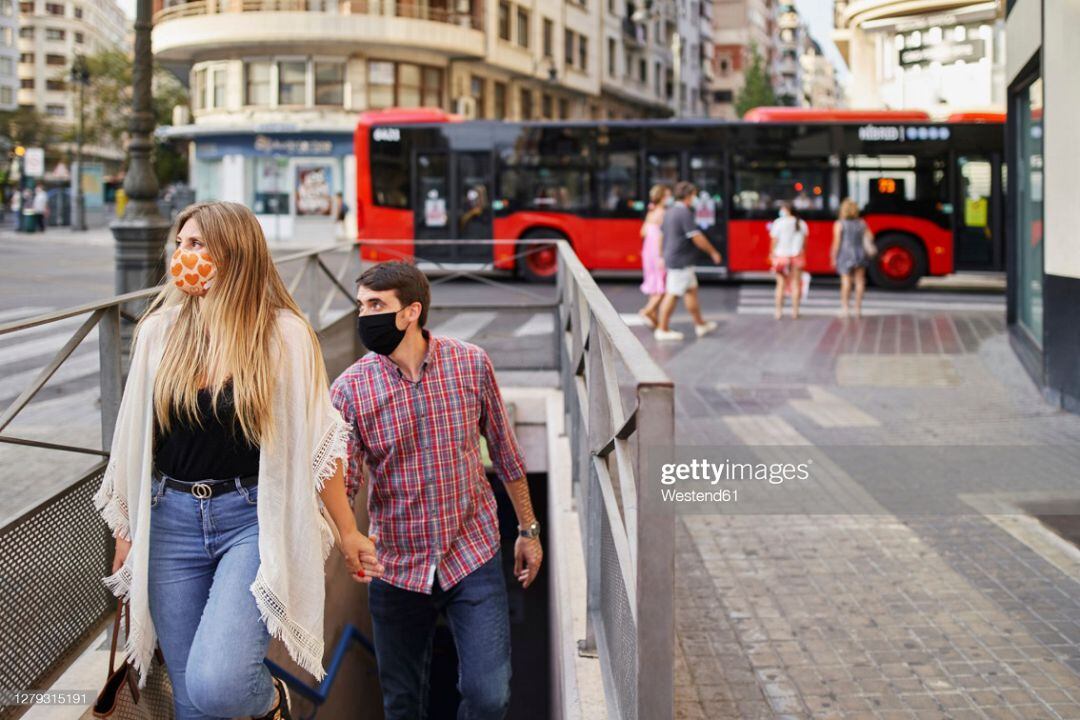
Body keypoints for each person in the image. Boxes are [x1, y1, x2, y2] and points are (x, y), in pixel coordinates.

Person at [93, 201, 383, 720]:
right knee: (190, 700)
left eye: (197, 244)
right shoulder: (161, 331)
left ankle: (272, 700)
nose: (183, 255)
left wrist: (347, 531)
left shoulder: (284, 335)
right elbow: (134, 438)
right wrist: (126, 530)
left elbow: (320, 442)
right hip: (169, 518)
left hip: (250, 520)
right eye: (180, 244)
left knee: (220, 684)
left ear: (235, 252)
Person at [330, 261, 543, 720]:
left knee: (490, 696)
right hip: (395, 566)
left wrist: (529, 530)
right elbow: (342, 483)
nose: (364, 316)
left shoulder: (470, 362)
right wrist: (345, 537)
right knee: (402, 704)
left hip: (472, 553)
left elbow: (505, 452)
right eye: (361, 305)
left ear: (411, 311)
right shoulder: (349, 389)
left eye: (375, 305)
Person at [654, 181, 722, 341]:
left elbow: (661, 235)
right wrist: (713, 252)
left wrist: (661, 255)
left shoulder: (670, 211)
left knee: (691, 291)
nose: (695, 198)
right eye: (694, 195)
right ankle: (662, 328)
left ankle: (700, 324)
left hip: (677, 258)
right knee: (672, 294)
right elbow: (696, 236)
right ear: (688, 196)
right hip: (681, 260)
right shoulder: (683, 212)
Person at [831, 197, 876, 318]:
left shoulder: (839, 224)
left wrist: (833, 257)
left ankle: (845, 308)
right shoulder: (862, 223)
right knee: (860, 281)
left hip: (845, 254)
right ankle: (858, 308)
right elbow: (870, 237)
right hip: (860, 253)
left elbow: (837, 242)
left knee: (846, 282)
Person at [637, 183, 670, 328]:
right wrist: (662, 256)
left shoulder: (651, 212)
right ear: (662, 198)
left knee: (654, 285)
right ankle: (647, 311)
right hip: (658, 252)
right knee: (663, 287)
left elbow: (642, 232)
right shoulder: (663, 213)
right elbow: (662, 236)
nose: (670, 198)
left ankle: (655, 322)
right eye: (668, 196)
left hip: (648, 252)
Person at [769, 202, 808, 320]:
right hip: (797, 257)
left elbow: (774, 241)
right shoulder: (801, 223)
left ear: (786, 209)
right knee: (796, 284)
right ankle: (795, 312)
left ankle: (778, 312)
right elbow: (804, 244)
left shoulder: (778, 223)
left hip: (781, 257)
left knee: (780, 285)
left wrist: (771, 254)